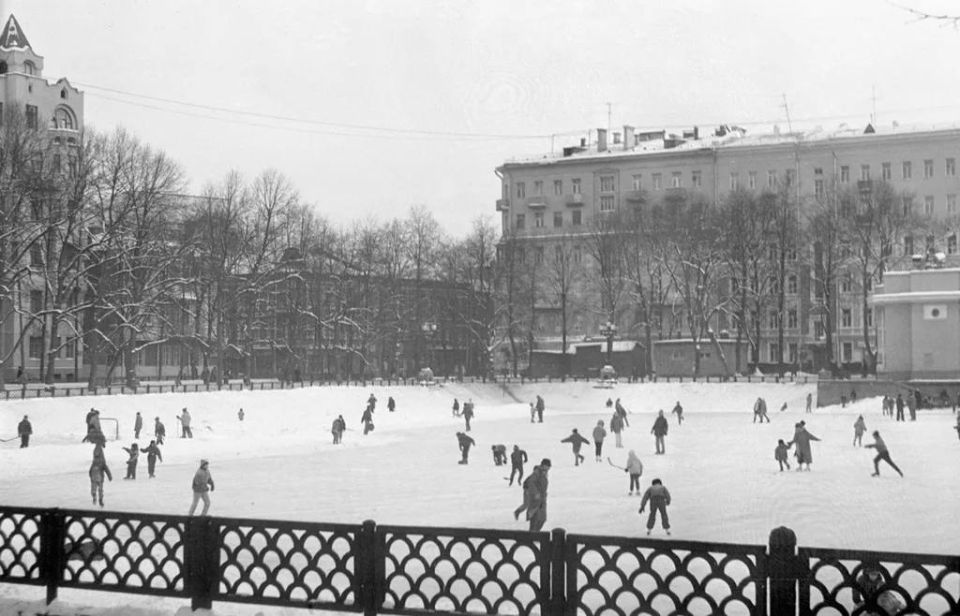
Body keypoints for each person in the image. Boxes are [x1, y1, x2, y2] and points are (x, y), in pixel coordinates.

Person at [515, 459, 550, 531]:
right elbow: (531, 483)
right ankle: (533, 535)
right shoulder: (537, 473)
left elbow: (542, 484)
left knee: (542, 519)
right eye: (548, 466)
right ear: (543, 465)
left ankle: (535, 534)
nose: (549, 468)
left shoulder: (544, 473)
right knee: (534, 516)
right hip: (535, 498)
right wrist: (535, 493)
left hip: (541, 498)